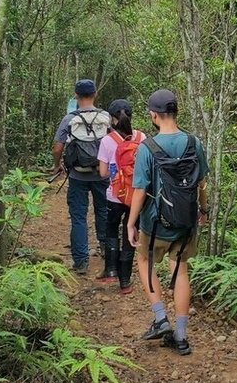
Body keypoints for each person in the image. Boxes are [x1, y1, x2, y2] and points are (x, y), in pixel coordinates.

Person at [127, 89, 209, 356]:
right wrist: (203, 210)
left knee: (143, 261)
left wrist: (131, 222)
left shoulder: (148, 147)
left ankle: (161, 318)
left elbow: (140, 189)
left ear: (153, 115)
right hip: (186, 221)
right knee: (181, 269)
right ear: (176, 111)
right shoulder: (194, 142)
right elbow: (201, 183)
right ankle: (182, 337)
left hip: (155, 221)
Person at [52, 79, 110, 274]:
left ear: (76, 96)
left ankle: (81, 261)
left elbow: (58, 146)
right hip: (102, 175)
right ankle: (106, 251)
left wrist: (57, 165)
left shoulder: (69, 118)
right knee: (103, 212)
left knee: (78, 217)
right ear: (95, 94)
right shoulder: (106, 117)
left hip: (77, 175)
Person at [97, 99, 145, 292]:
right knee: (130, 233)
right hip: (137, 196)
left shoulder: (107, 141)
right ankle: (125, 281)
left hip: (115, 195)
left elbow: (102, 173)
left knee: (111, 229)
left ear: (112, 119)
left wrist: (116, 172)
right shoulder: (142, 137)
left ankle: (110, 271)